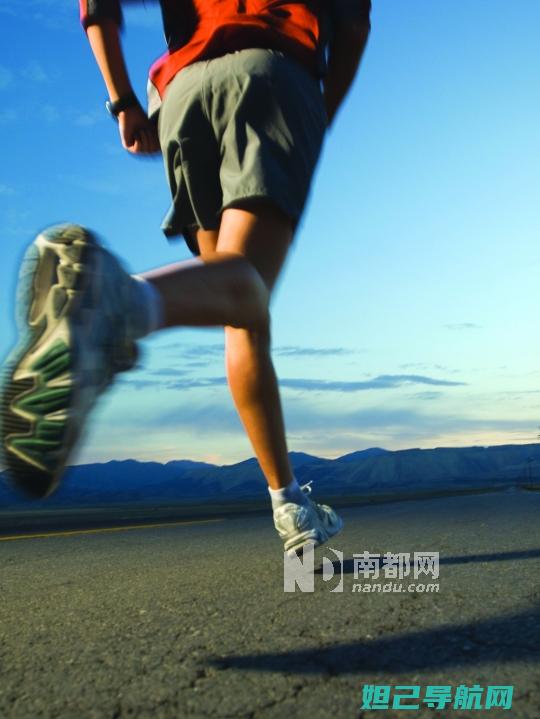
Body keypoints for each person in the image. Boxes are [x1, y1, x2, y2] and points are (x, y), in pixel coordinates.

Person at [0, 0, 370, 555]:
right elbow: (354, 25)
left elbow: (96, 6)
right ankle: (118, 303)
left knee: (237, 307)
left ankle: (289, 502)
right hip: (273, 72)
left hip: (180, 95)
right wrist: (320, 112)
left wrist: (124, 103)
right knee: (247, 287)